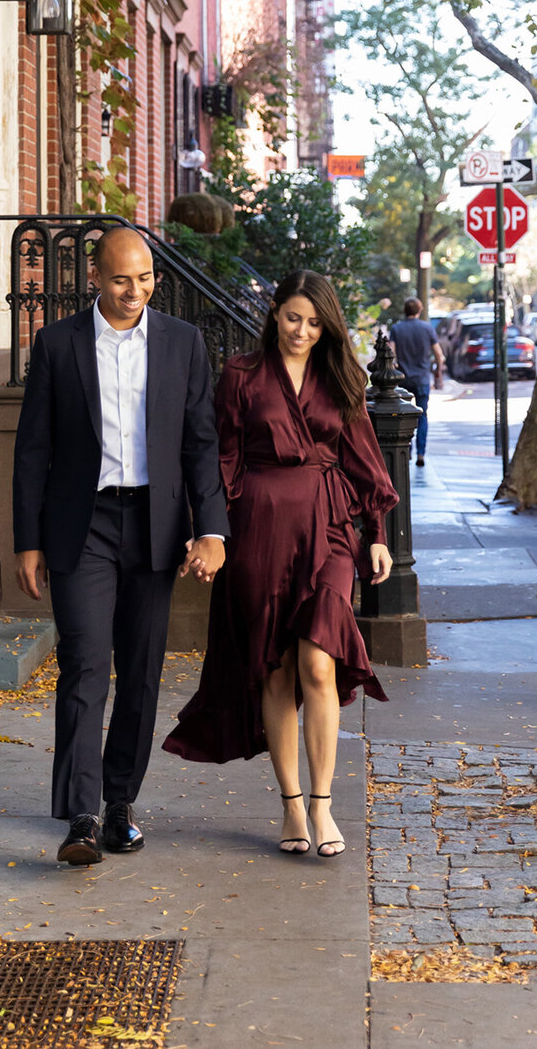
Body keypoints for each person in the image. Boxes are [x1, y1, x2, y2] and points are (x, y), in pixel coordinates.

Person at [13, 225, 229, 867]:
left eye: (145, 278)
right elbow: (33, 449)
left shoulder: (182, 343)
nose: (134, 290)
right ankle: (79, 816)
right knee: (83, 663)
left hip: (156, 526)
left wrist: (211, 528)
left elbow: (201, 441)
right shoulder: (57, 344)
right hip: (84, 525)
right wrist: (28, 541)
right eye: (120, 279)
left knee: (141, 670)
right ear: (94, 280)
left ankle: (118, 806)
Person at [162, 270, 396, 859]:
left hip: (329, 530)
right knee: (274, 668)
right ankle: (291, 804)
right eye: (294, 317)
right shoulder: (242, 375)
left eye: (315, 322)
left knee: (318, 662)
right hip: (260, 531)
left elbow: (364, 458)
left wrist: (377, 533)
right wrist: (211, 534)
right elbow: (222, 460)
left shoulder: (342, 376)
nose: (302, 330)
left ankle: (323, 801)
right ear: (274, 313)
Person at [388, 297, 444, 466]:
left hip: (403, 380)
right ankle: (421, 453)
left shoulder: (397, 329)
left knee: (403, 417)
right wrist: (437, 372)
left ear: (405, 310)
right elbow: (439, 355)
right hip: (421, 379)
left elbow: (391, 355)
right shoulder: (427, 328)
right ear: (419, 311)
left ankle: (407, 452)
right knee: (423, 416)